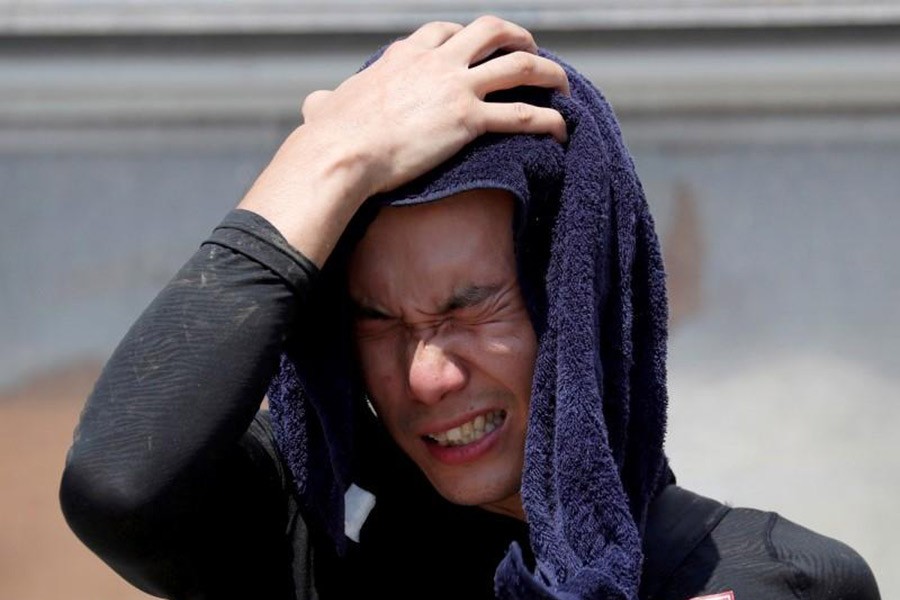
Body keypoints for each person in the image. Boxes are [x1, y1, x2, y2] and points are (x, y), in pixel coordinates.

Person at [60, 16, 880, 600]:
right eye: (377, 319)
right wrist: (330, 156)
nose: (427, 374)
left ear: (580, 307)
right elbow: (121, 482)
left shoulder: (780, 581)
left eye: (472, 306)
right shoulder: (300, 553)